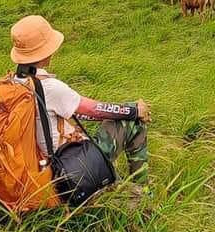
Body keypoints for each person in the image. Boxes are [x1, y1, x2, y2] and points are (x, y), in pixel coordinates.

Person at [10, 14, 151, 197]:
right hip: (69, 169)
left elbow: (79, 113)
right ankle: (142, 192)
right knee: (132, 122)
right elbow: (94, 110)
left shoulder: (13, 83)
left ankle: (119, 184)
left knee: (124, 115)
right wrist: (134, 110)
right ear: (46, 52)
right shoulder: (49, 87)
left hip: (42, 166)